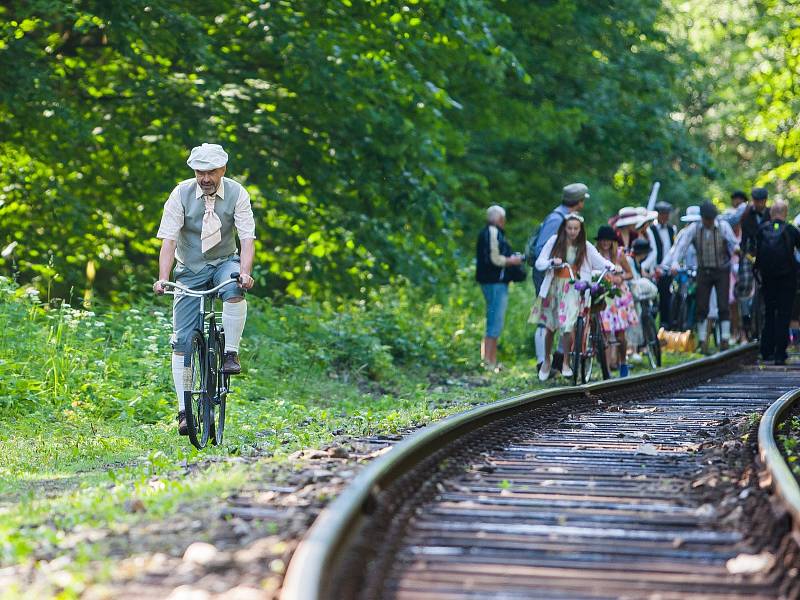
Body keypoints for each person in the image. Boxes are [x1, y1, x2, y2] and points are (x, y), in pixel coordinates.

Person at [154, 143, 256, 435]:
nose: (206, 178)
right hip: (190, 269)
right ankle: (184, 410)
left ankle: (230, 354)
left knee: (235, 288)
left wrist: (245, 273)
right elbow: (169, 240)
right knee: (182, 341)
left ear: (222, 170)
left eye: (211, 172)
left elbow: (247, 238)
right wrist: (163, 277)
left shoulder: (237, 193)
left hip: (224, 261)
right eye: (200, 172)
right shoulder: (180, 193)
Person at [531, 214, 616, 381]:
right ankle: (547, 361)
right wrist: (551, 262)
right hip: (554, 287)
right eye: (569, 228)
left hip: (573, 288)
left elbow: (600, 261)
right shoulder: (554, 242)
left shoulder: (584, 246)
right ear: (564, 228)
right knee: (550, 327)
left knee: (568, 325)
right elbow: (539, 262)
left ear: (580, 229)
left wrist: (611, 266)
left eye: (576, 228)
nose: (572, 231)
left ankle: (566, 362)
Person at [530, 183, 589, 371]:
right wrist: (554, 262)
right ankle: (542, 362)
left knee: (564, 317)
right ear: (578, 202)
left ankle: (557, 360)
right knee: (546, 318)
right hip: (549, 275)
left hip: (563, 277)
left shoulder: (565, 218)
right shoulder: (557, 220)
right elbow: (542, 249)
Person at [668, 201, 739, 353]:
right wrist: (675, 263)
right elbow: (681, 246)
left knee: (723, 304)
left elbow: (734, 243)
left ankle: (724, 339)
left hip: (721, 270)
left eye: (711, 219)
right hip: (703, 270)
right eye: (707, 219)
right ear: (702, 218)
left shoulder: (723, 227)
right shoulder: (694, 229)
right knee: (702, 305)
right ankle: (702, 341)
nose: (709, 222)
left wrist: (737, 250)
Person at [475, 205, 523, 370]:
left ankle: (489, 360)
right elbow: (494, 258)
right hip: (494, 282)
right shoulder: (493, 232)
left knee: (493, 320)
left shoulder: (487, 232)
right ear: (499, 219)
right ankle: (489, 362)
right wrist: (512, 261)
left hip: (490, 281)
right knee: (495, 321)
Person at [755, 200, 800, 365]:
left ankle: (766, 351)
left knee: (769, 313)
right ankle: (780, 354)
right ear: (785, 213)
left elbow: (756, 253)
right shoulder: (791, 230)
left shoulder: (762, 230)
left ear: (772, 213)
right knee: (784, 315)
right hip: (787, 280)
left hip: (767, 279)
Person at [595, 225, 637, 377]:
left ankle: (623, 361)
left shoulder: (619, 254)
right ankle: (606, 370)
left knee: (620, 334)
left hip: (618, 297)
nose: (605, 243)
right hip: (603, 296)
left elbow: (630, 274)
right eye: (602, 240)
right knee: (604, 333)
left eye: (608, 240)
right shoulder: (596, 255)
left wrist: (620, 278)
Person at [738, 187, 769, 335]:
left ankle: (764, 315)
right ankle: (745, 317)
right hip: (749, 253)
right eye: (756, 201)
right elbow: (744, 240)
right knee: (744, 284)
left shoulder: (770, 214)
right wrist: (745, 254)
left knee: (767, 285)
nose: (759, 204)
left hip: (766, 255)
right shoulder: (746, 215)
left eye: (761, 201)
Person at [647, 201, 676, 329]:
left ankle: (666, 326)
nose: (665, 216)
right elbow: (652, 250)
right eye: (662, 214)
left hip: (667, 270)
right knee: (653, 299)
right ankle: (651, 327)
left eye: (666, 214)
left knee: (667, 299)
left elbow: (673, 249)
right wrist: (654, 268)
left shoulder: (672, 229)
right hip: (655, 269)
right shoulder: (651, 230)